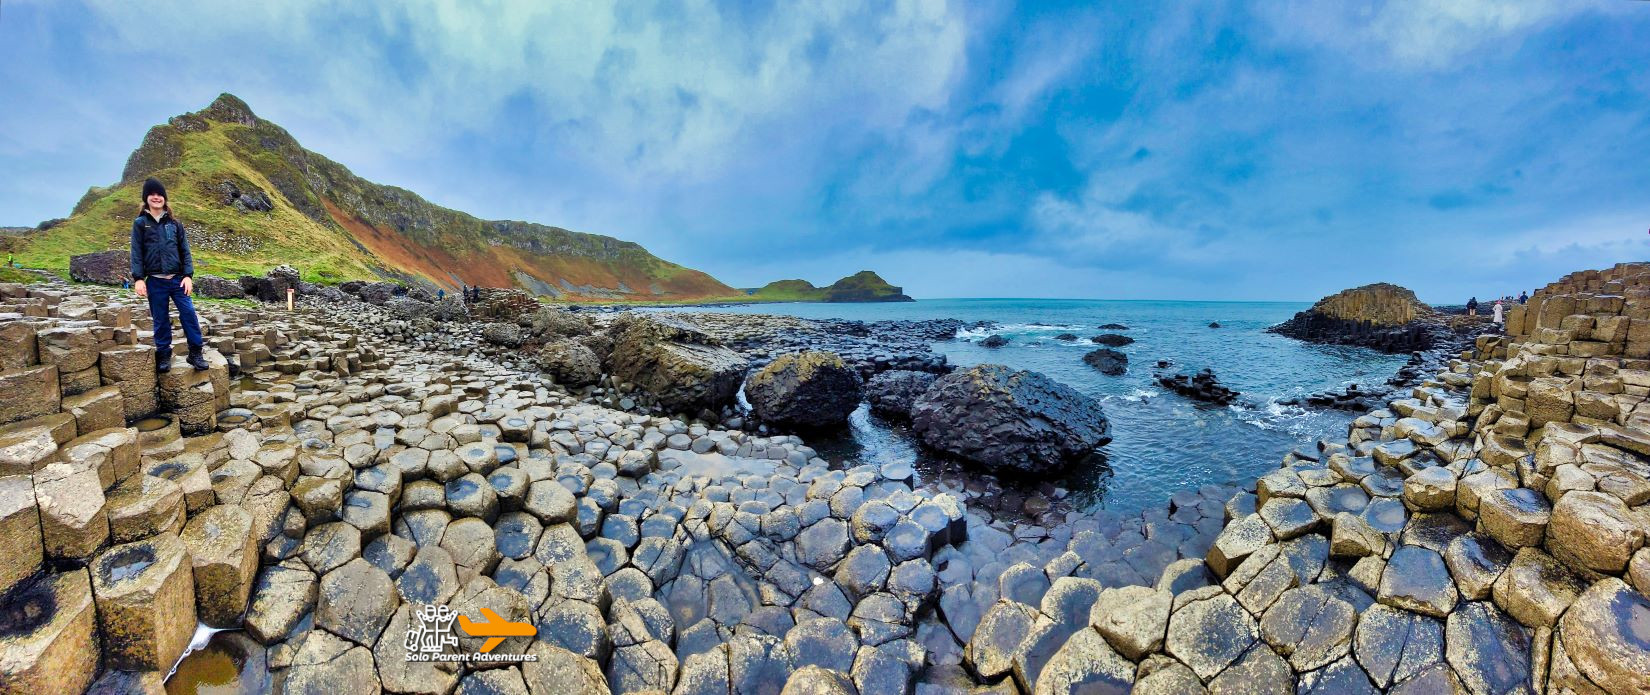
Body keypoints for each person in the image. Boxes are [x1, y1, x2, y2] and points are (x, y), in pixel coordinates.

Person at [130, 177, 207, 372]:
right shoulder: (140, 224)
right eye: (152, 194)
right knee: (160, 318)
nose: (156, 197)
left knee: (189, 314)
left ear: (164, 198)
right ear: (146, 198)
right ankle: (164, 355)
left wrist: (188, 275)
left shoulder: (175, 224)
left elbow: (185, 251)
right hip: (155, 281)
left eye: (160, 194)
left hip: (178, 280)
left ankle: (195, 353)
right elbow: (136, 252)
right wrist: (138, 278)